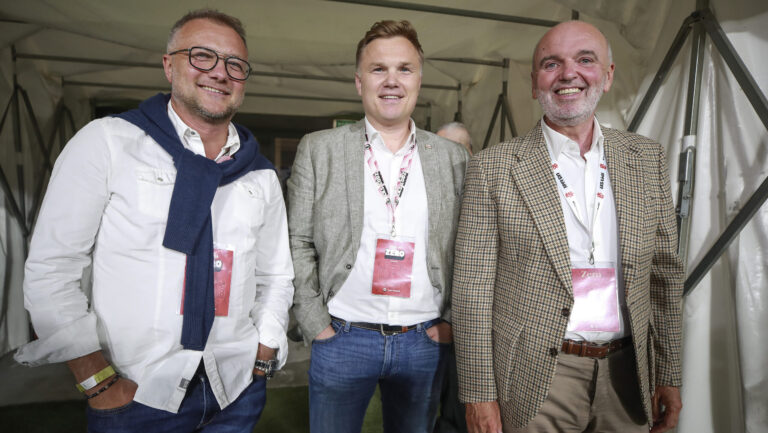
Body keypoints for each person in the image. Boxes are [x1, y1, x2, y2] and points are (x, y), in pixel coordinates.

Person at [14, 9, 294, 432]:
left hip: (234, 389)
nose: (220, 72)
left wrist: (264, 349)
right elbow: (53, 269)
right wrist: (98, 381)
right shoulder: (108, 143)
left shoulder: (259, 174)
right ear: (169, 65)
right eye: (202, 56)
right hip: (137, 392)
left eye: (234, 64)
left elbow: (275, 274)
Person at [452, 21, 684, 433]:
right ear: (534, 82)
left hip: (627, 376)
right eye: (551, 63)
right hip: (535, 380)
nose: (568, 73)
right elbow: (472, 291)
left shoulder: (646, 158)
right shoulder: (493, 168)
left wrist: (669, 372)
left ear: (608, 75)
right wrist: (478, 394)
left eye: (585, 59)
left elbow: (664, 275)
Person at [288, 20, 469, 433]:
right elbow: (296, 240)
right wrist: (316, 322)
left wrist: (452, 320)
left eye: (404, 69)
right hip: (342, 336)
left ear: (419, 81)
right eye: (378, 69)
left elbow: (470, 248)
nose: (392, 81)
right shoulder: (320, 149)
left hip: (425, 339)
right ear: (358, 81)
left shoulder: (452, 159)